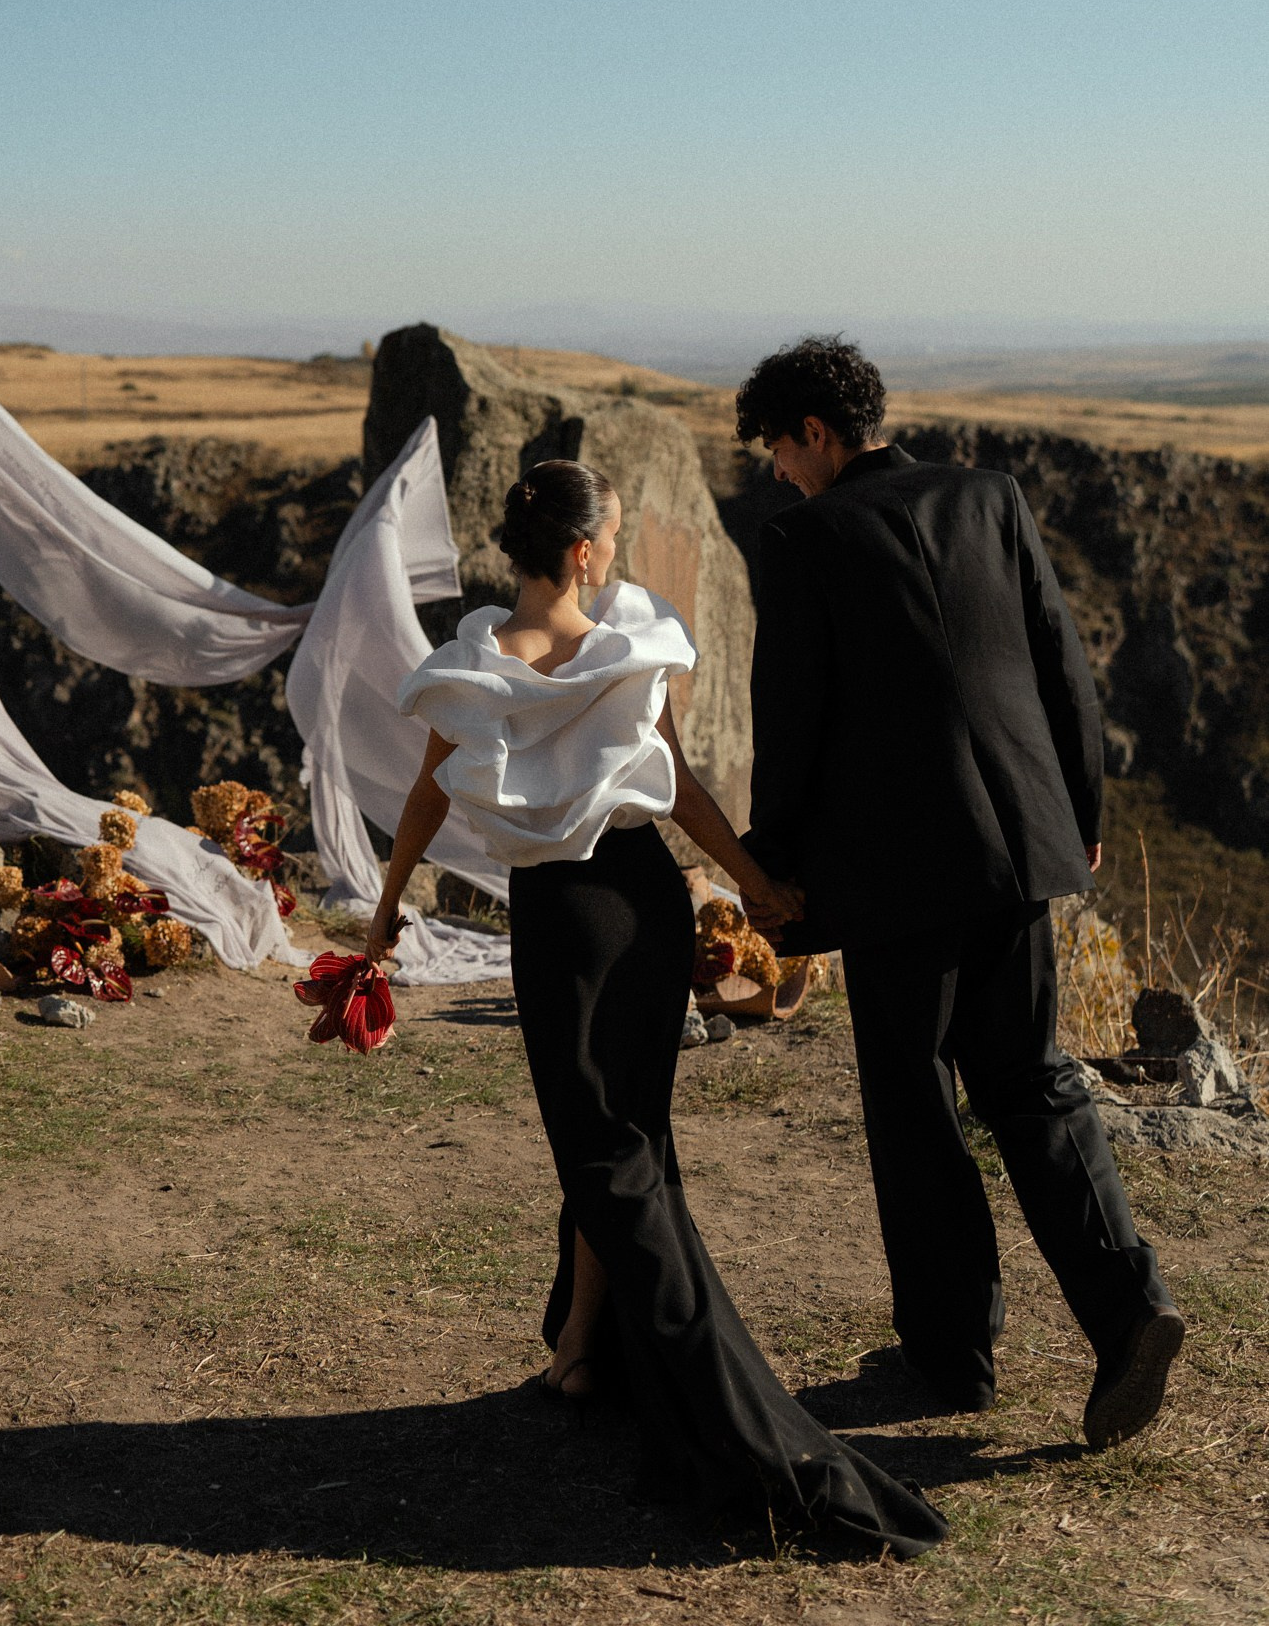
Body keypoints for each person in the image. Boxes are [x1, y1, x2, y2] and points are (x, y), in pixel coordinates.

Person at [366, 460, 946, 1559]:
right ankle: (584, 1346)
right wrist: (755, 881)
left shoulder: (476, 664)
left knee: (609, 1155)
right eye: (616, 535)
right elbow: (673, 781)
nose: (621, 553)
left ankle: (724, 1411)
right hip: (646, 905)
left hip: (563, 925)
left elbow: (431, 792)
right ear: (584, 552)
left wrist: (388, 906)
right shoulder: (632, 641)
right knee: (624, 1141)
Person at [735, 335, 1182, 1448]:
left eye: (778, 453)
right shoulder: (994, 496)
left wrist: (771, 863)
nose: (776, 476)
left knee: (915, 1098)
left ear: (817, 435)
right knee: (1033, 1079)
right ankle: (1129, 1308)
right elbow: (1060, 665)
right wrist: (1074, 821)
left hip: (895, 867)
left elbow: (792, 718)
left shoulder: (802, 535)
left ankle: (949, 1352)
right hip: (1021, 841)